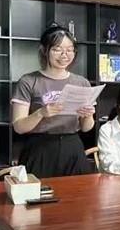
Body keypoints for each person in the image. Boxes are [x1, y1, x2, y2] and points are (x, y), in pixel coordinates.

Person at [11, 23, 95, 178]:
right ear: (45, 50)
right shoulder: (28, 81)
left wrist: (88, 115)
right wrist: (41, 113)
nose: (64, 55)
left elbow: (86, 128)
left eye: (70, 50)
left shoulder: (82, 82)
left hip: (73, 148)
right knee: (39, 192)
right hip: (39, 149)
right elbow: (19, 127)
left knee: (77, 192)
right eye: (57, 49)